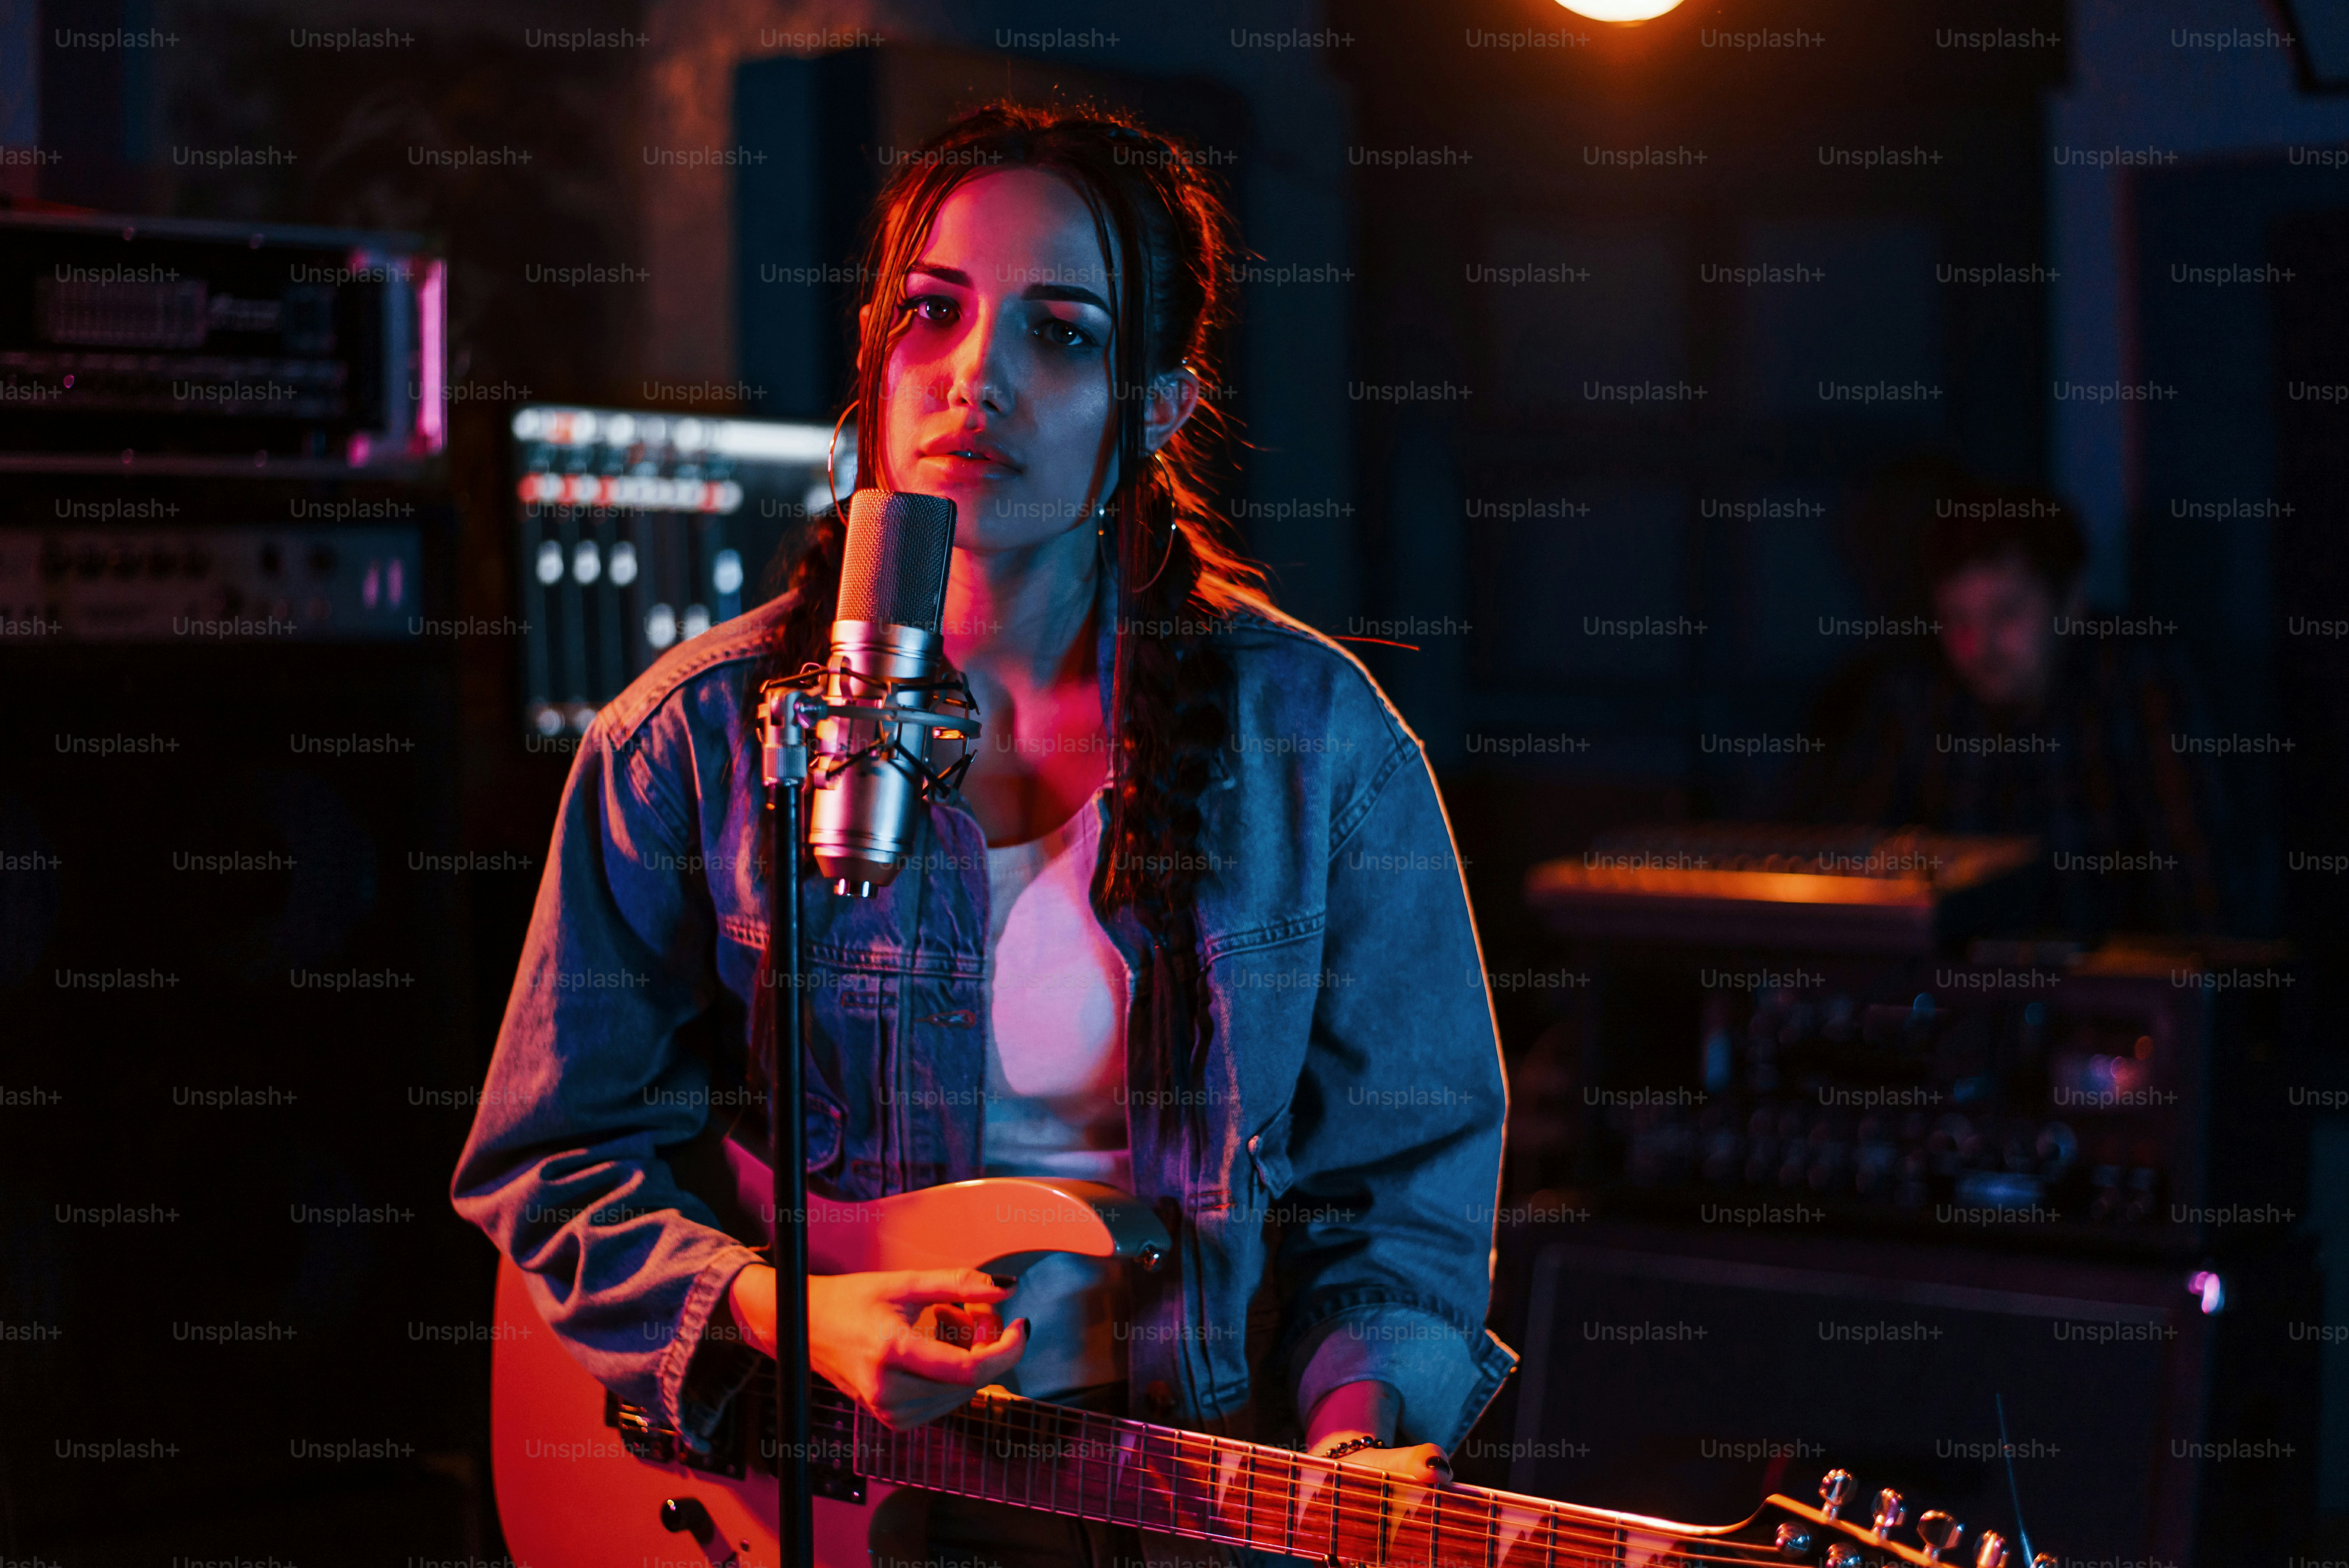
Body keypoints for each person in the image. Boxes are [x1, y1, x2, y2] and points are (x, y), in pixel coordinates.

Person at [451, 102, 1514, 1568]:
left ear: (1155, 404)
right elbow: (552, 1159)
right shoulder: (682, 740)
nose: (975, 380)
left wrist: (1356, 1440)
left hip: (1168, 1510)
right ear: (875, 363)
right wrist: (794, 1308)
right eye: (932, 314)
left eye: (1061, 334)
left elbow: (1397, 1194)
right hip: (780, 1488)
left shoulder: (1322, 750)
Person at [1795, 476, 2239, 937]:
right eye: (1956, 620)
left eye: (2005, 614)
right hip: (1956, 998)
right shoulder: (1915, 698)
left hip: (2102, 993)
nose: (1977, 646)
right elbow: (1852, 869)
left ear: (2069, 604)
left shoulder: (2135, 681)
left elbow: (2198, 882)